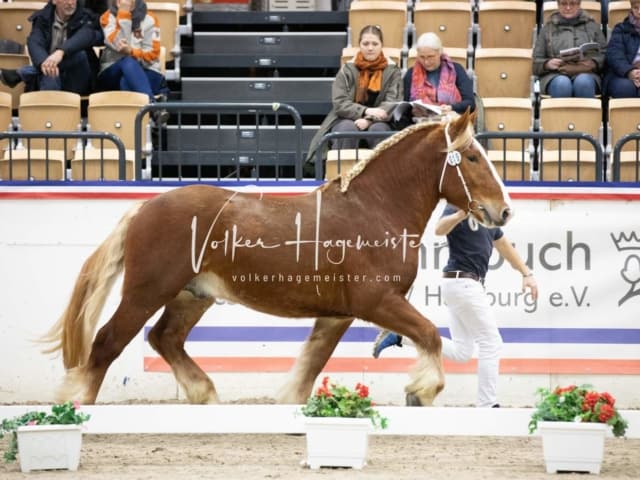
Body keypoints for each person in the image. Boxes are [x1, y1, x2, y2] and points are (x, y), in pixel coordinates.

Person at [372, 204, 539, 408]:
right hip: (463, 282)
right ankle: (487, 405)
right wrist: (461, 214)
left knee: (462, 352)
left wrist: (526, 274)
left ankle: (401, 336)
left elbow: (505, 247)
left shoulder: (490, 215)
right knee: (492, 343)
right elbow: (439, 229)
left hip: (460, 285)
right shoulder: (459, 205)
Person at [304, 25, 403, 173]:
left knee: (379, 131)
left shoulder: (393, 70)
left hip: (381, 121)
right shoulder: (347, 69)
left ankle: (381, 180)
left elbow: (392, 102)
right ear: (359, 45)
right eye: (365, 44)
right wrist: (365, 111)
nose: (370, 48)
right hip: (345, 118)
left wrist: (368, 119)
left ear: (382, 45)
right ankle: (341, 177)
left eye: (375, 44)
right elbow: (340, 103)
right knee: (347, 129)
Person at [0, 0, 103, 96]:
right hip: (52, 75)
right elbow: (35, 42)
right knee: (50, 72)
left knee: (80, 54)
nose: (71, 3)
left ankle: (24, 73)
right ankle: (48, 113)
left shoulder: (87, 18)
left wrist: (61, 52)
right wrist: (46, 63)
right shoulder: (42, 18)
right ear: (54, 1)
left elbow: (86, 36)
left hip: (78, 79)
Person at [98, 0, 169, 121]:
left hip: (146, 70)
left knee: (126, 81)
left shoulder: (151, 19)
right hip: (112, 71)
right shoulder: (106, 18)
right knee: (127, 61)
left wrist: (131, 52)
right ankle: (153, 107)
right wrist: (124, 15)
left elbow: (152, 55)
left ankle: (133, 131)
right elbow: (119, 45)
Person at [395, 32, 474, 129]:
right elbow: (405, 106)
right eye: (422, 57)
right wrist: (412, 111)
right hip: (420, 125)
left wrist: (451, 107)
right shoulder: (411, 74)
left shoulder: (456, 70)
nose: (426, 62)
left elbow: (470, 103)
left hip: (451, 123)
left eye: (430, 57)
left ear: (439, 53)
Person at [533, 0, 607, 98]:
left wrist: (594, 63)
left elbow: (605, 54)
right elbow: (536, 62)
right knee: (562, 84)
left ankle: (585, 113)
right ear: (558, 5)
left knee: (583, 82)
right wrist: (547, 64)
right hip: (555, 75)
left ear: (579, 4)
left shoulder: (592, 26)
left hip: (586, 72)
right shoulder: (547, 29)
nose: (568, 7)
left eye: (572, 3)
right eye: (564, 3)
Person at [603, 0, 640, 98]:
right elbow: (614, 55)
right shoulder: (621, 29)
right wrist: (630, 71)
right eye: (636, 8)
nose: (639, 11)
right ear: (631, 9)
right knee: (624, 88)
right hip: (622, 73)